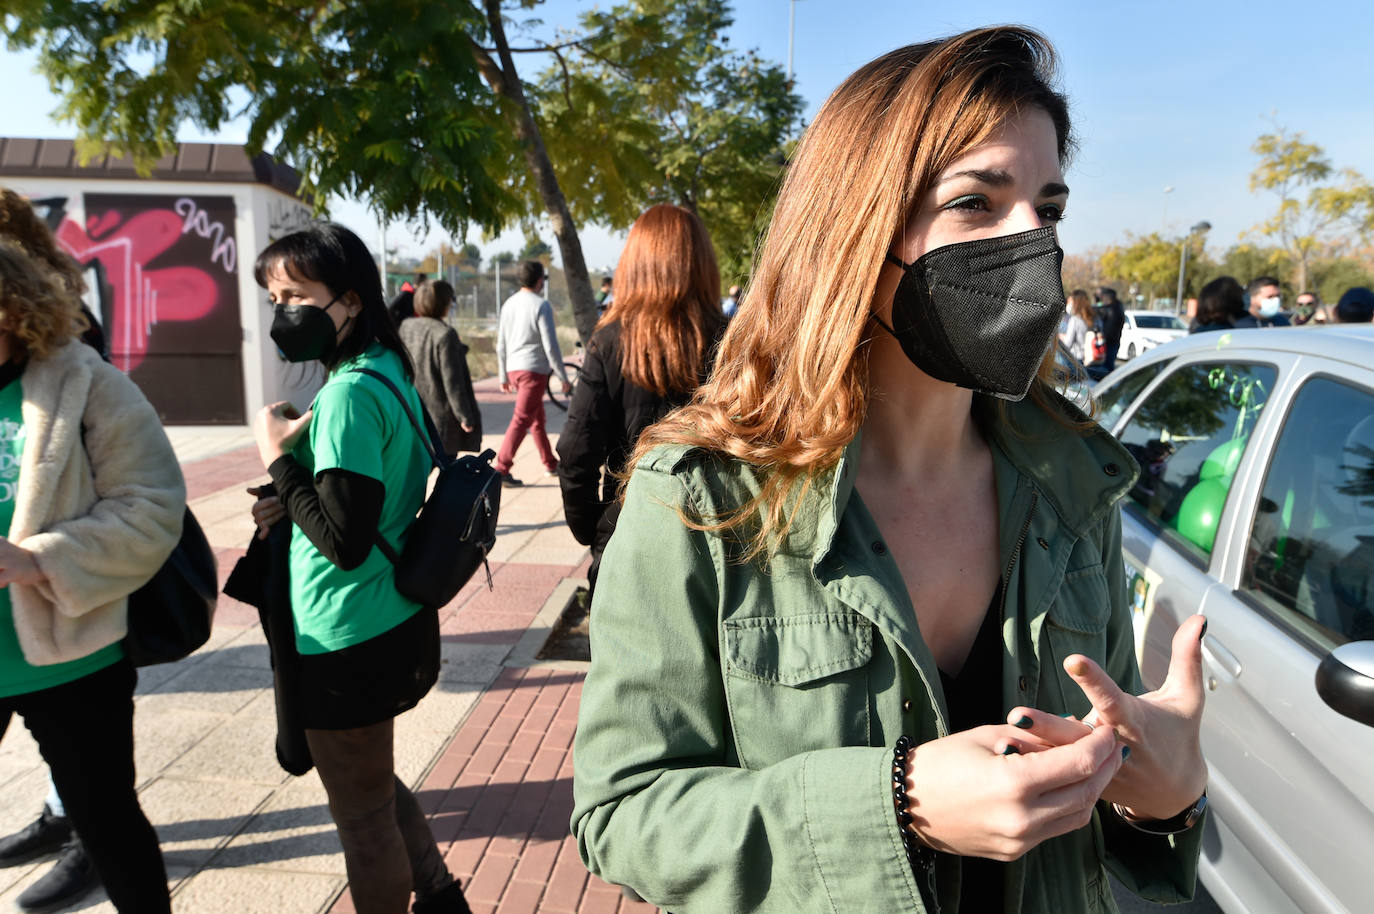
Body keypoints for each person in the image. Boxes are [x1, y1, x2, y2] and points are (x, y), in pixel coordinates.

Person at [572, 27, 1208, 914]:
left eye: (1049, 208)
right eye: (977, 202)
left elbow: (1107, 817)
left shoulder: (1071, 488)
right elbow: (622, 811)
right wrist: (894, 801)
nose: (1034, 242)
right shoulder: (700, 495)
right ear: (859, 231)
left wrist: (1166, 800)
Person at [247, 224, 471, 914]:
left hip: (344, 633)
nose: (283, 310)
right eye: (274, 297)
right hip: (386, 617)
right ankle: (437, 895)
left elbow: (345, 540)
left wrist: (278, 457)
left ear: (347, 299)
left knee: (362, 820)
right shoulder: (381, 365)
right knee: (369, 784)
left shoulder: (347, 395)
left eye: (295, 295)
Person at [0, 239, 184, 914]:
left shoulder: (85, 380)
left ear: (11, 307)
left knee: (108, 827)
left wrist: (38, 560)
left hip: (72, 657)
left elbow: (153, 508)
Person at [556, 204, 726, 599]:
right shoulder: (733, 342)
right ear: (702, 263)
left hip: (628, 535)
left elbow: (576, 452)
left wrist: (596, 527)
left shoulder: (609, 342)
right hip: (716, 541)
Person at [494, 260, 570, 487]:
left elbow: (501, 344)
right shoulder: (541, 305)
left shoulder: (508, 304)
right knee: (522, 418)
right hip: (533, 370)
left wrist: (502, 375)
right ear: (539, 281)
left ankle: (550, 463)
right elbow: (551, 345)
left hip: (514, 369)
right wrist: (563, 376)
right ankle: (501, 468)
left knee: (537, 419)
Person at [399, 280, 483, 454]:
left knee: (416, 469)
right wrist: (465, 416)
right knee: (445, 469)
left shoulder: (407, 326)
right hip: (440, 418)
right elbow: (453, 382)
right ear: (444, 304)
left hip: (412, 410)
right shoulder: (445, 334)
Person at [1095, 286, 1126, 370]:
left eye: (1103, 297)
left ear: (1107, 297)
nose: (1102, 299)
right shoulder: (1118, 307)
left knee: (1106, 368)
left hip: (1109, 343)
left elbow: (1109, 330)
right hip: (1114, 341)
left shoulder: (1111, 310)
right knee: (1108, 365)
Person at [1059, 288, 1093, 362]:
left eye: (1070, 302)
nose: (1068, 304)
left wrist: (1061, 338)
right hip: (1093, 357)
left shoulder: (1075, 320)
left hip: (1078, 358)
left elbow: (1067, 344)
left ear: (1076, 302)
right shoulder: (1095, 318)